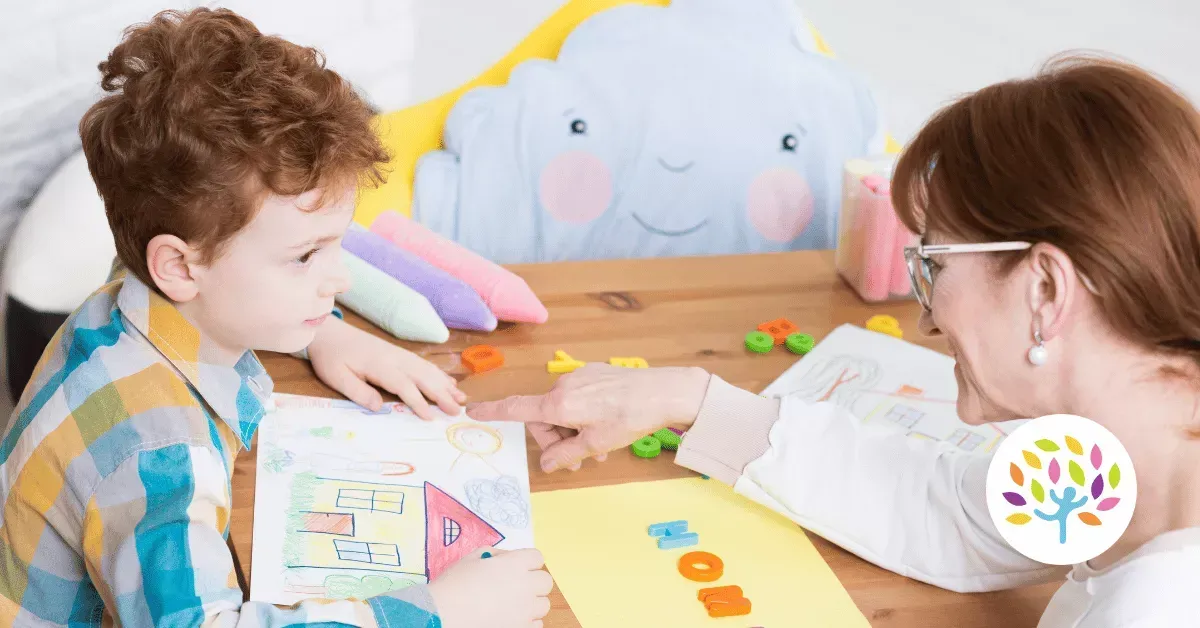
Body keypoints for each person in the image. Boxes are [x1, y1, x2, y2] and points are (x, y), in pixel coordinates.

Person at [470, 55, 1200, 626]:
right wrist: (689, 400)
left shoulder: (1159, 605)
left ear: (1045, 289)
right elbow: (948, 514)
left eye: (934, 265)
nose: (927, 319)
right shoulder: (1130, 460)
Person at [0, 8, 552, 628]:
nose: (340, 280)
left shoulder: (131, 291)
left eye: (336, 245)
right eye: (305, 256)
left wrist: (323, 332)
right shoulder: (157, 455)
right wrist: (439, 610)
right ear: (179, 266)